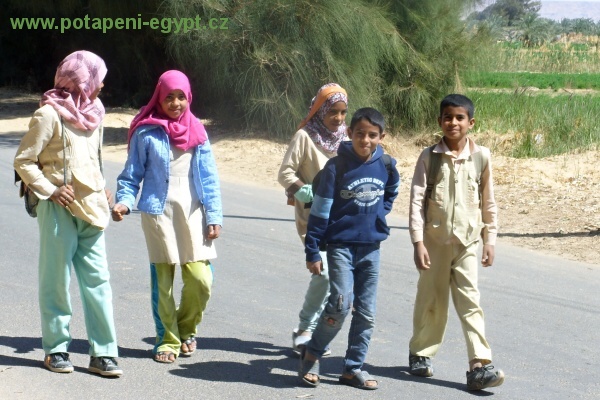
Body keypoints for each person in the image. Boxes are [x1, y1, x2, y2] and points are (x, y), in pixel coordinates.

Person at [13, 50, 123, 377]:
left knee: (98, 281)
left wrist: (102, 186)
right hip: (58, 208)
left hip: (92, 207)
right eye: (97, 77)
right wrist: (49, 189)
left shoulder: (96, 112)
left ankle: (103, 353)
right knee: (56, 280)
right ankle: (56, 349)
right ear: (81, 79)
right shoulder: (48, 114)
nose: (102, 84)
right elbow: (24, 160)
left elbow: (95, 159)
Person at [112, 70, 222, 364]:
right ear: (159, 98)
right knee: (163, 283)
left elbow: (209, 178)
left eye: (181, 97)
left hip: (193, 213)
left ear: (189, 98)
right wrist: (124, 202)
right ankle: (167, 339)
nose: (175, 103)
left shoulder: (198, 131)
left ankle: (186, 329)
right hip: (158, 213)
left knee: (201, 279)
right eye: (169, 97)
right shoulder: (146, 132)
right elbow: (132, 174)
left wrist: (214, 216)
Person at [298, 107, 400, 390]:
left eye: (372, 135)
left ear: (382, 136)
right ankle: (312, 354)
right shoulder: (335, 167)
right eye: (359, 134)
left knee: (366, 313)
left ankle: (353, 368)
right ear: (349, 133)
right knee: (340, 304)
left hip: (371, 248)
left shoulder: (387, 165)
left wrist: (379, 213)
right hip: (340, 246)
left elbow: (392, 191)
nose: (365, 140)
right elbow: (319, 212)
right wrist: (313, 250)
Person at [407, 94, 504, 391]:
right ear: (439, 121)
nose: (453, 123)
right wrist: (418, 242)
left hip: (467, 243)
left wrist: (490, 239)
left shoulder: (482, 157)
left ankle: (479, 364)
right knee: (431, 300)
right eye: (448, 117)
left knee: (470, 301)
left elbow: (489, 202)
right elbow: (415, 202)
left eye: (460, 118)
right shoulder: (429, 157)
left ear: (471, 123)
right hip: (434, 242)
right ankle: (421, 354)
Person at [278, 83, 348, 354]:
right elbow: (285, 173)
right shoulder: (305, 137)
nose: (339, 118)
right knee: (323, 273)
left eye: (343, 112)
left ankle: (316, 331)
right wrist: (304, 191)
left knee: (336, 276)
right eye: (333, 112)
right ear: (320, 111)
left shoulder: (346, 139)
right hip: (312, 217)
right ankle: (305, 329)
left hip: (340, 219)